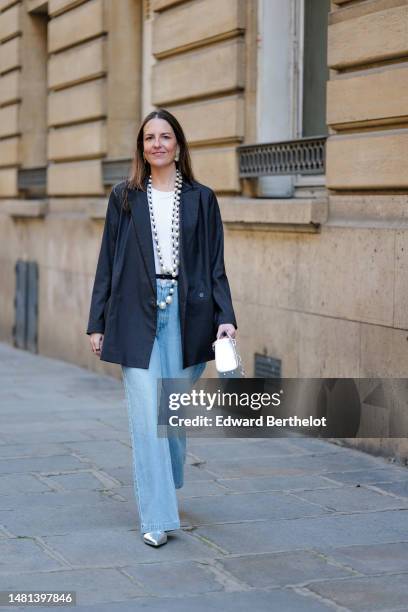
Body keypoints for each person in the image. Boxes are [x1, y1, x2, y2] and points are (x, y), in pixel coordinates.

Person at [86, 108, 237, 547]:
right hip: (135, 314)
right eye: (149, 137)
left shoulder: (203, 198)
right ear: (141, 147)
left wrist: (225, 317)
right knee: (146, 414)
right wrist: (97, 322)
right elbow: (107, 264)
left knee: (170, 408)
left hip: (188, 316)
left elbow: (215, 266)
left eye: (165, 136)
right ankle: (155, 517)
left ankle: (167, 482)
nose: (157, 143)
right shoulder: (124, 197)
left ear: (178, 145)